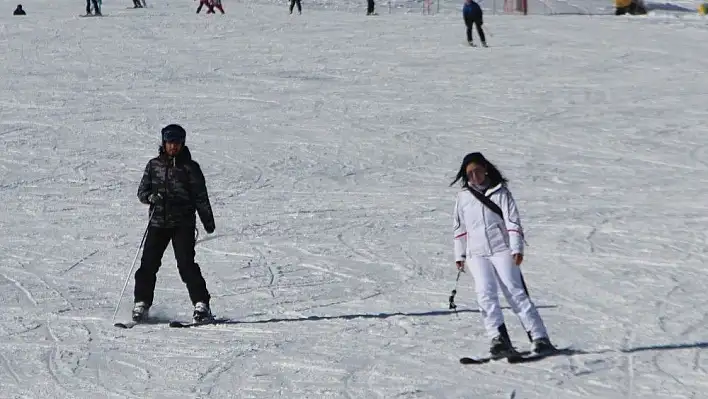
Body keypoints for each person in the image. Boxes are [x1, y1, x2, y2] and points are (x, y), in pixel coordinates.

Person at [451, 152, 554, 358]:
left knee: (515, 292)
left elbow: (512, 222)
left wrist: (517, 248)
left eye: (477, 171)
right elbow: (460, 227)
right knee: (485, 293)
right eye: (469, 173)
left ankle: (539, 337)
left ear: (485, 169)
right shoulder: (463, 197)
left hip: (501, 249)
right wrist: (459, 254)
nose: (474, 177)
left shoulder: (501, 193)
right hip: (476, 253)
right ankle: (498, 339)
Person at [133, 124, 216, 323]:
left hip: (183, 224)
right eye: (170, 143)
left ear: (182, 144)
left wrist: (208, 221)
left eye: (177, 143)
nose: (173, 147)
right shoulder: (154, 165)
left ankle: (201, 305)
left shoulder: (190, 168)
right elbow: (141, 192)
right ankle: (142, 303)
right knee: (148, 265)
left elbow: (201, 197)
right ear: (164, 143)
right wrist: (151, 197)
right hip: (158, 222)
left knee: (186, 265)